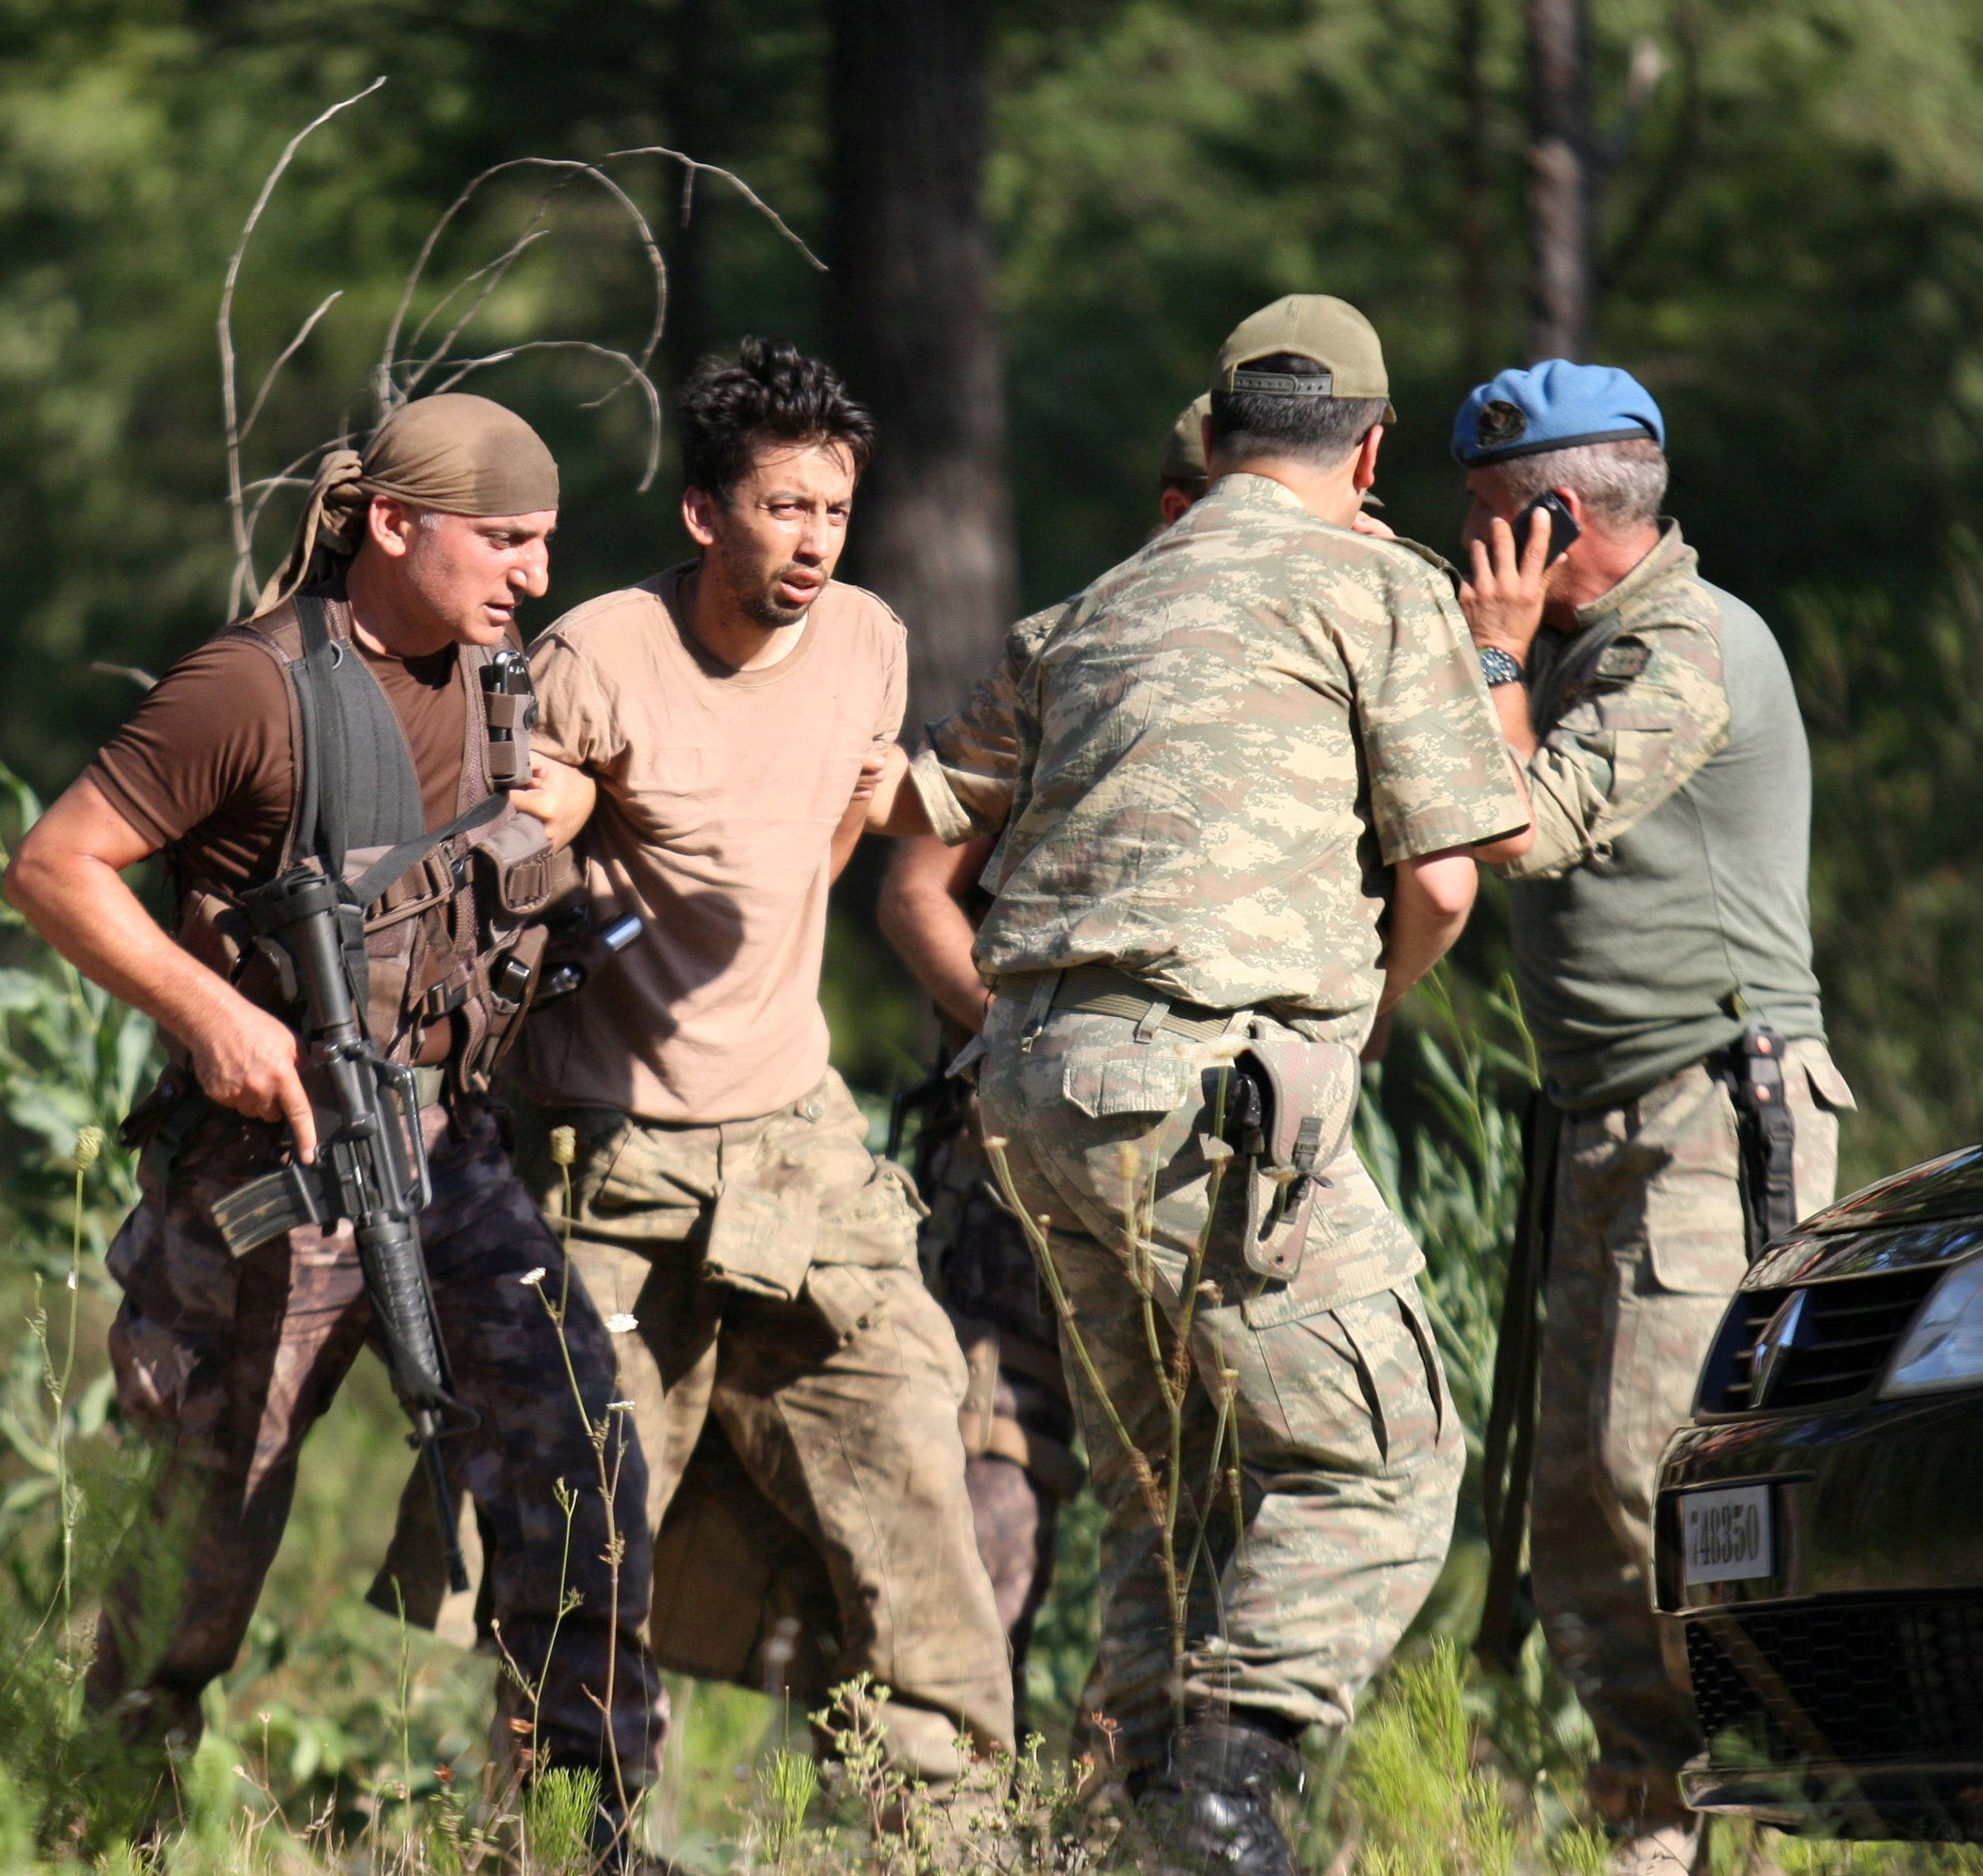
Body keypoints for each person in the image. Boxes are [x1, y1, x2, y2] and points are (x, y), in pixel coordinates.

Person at [866, 297, 1532, 1874]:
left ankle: (1133, 1815)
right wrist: (1360, 1028)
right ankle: (1228, 1799)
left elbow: (912, 826)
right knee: (1388, 1454)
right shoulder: (1383, 589)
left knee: (1169, 1476)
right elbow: (1447, 875)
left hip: (1025, 1087)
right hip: (1211, 1078)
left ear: (1216, 440)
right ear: (1370, 453)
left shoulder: (1086, 611)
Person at [2, 394, 663, 1828]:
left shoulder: (496, 676)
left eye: (548, 544)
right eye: (506, 541)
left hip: (450, 1152)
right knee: (202, 1545)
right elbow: (54, 866)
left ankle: (576, 1832)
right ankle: (105, 1831)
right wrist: (214, 1013)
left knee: (576, 1463)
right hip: (269, 1173)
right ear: (391, 524)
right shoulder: (253, 686)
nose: (535, 578)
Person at [504, 337, 1014, 1783]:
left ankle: (951, 1821)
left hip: (801, 1142)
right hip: (619, 1161)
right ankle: (568, 1828)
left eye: (835, 511)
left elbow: (835, 834)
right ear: (703, 513)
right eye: (784, 507)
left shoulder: (868, 640)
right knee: (587, 1542)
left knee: (917, 1482)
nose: (814, 541)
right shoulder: (599, 657)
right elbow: (513, 864)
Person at [1449, 360, 1853, 1874]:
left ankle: (1753, 1823)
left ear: (1559, 516)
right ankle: (1649, 1824)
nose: (1469, 553)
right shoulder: (1573, 642)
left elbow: (1519, 824)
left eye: (1490, 521)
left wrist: (1490, 659)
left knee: (1668, 1483)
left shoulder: (1688, 643)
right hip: (1601, 1123)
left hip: (1717, 1110)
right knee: (1573, 1512)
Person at [874, 393, 1213, 1707]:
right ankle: (948, 1818)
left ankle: (1142, 1812)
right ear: (1179, 512)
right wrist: (1022, 1041)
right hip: (1014, 1177)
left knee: (1196, 1517)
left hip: (1207, 1174)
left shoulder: (1326, 652)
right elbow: (915, 889)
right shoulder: (1076, 650)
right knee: (989, 1509)